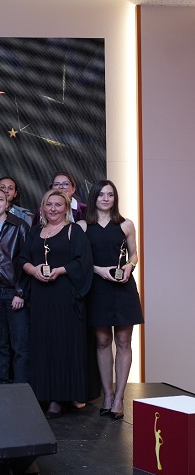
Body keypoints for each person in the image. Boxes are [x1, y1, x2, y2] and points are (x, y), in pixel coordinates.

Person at [20, 189, 93, 419]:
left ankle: (58, 399)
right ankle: (42, 394)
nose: (53, 209)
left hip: (64, 298)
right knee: (42, 345)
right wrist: (33, 271)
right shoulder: (35, 232)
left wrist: (60, 270)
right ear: (42, 207)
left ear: (66, 208)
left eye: (58, 205)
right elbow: (23, 259)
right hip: (40, 297)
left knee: (61, 346)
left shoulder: (74, 231)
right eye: (49, 204)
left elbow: (83, 262)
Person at [78, 180, 143, 420]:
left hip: (123, 288)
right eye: (101, 195)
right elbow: (80, 260)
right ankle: (107, 395)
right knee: (103, 341)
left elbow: (134, 254)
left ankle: (119, 398)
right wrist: (99, 270)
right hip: (97, 288)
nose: (106, 199)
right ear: (93, 198)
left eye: (110, 195)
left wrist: (129, 267)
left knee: (124, 341)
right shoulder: (83, 226)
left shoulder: (126, 224)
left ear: (115, 198)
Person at [0, 187, 29, 385]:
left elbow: (27, 260)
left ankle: (22, 387)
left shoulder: (19, 226)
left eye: (0, 199)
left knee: (20, 345)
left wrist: (20, 292)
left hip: (14, 292)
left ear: (7, 203)